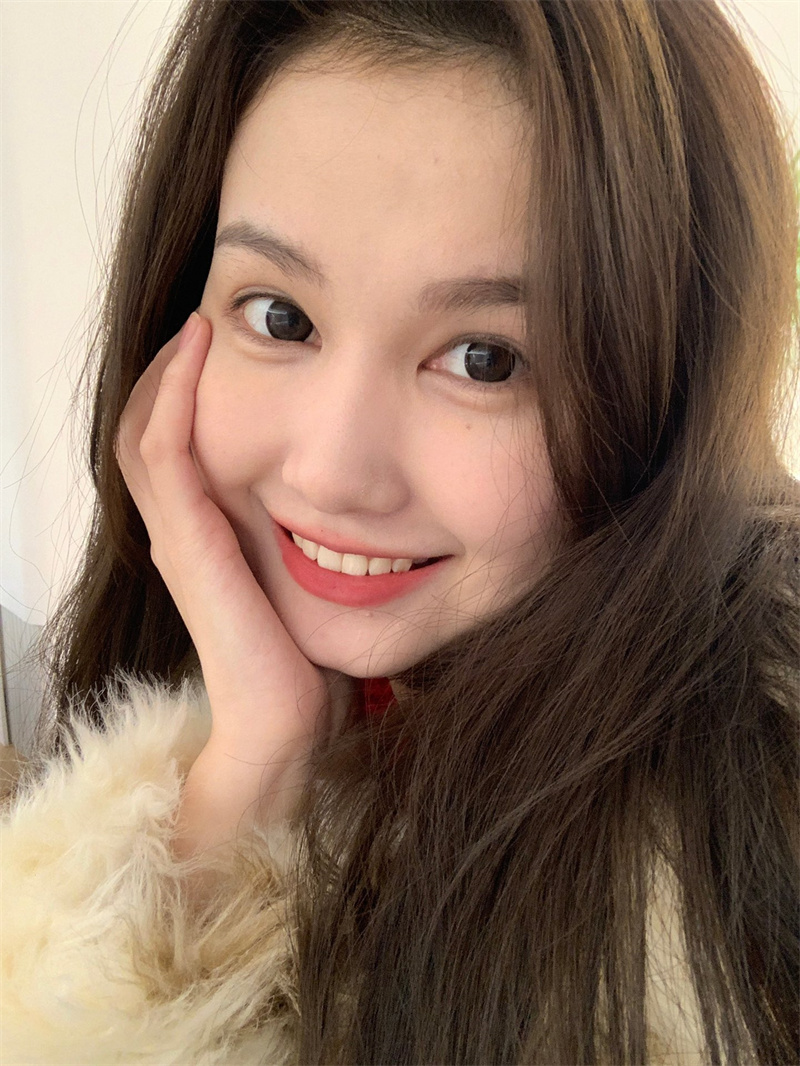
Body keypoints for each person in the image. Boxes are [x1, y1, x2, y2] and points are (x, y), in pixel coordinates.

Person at [1, 1, 798, 1062]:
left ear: (668, 401)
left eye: (484, 359)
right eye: (280, 317)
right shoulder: (187, 696)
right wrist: (253, 763)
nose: (329, 472)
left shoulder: (737, 889)